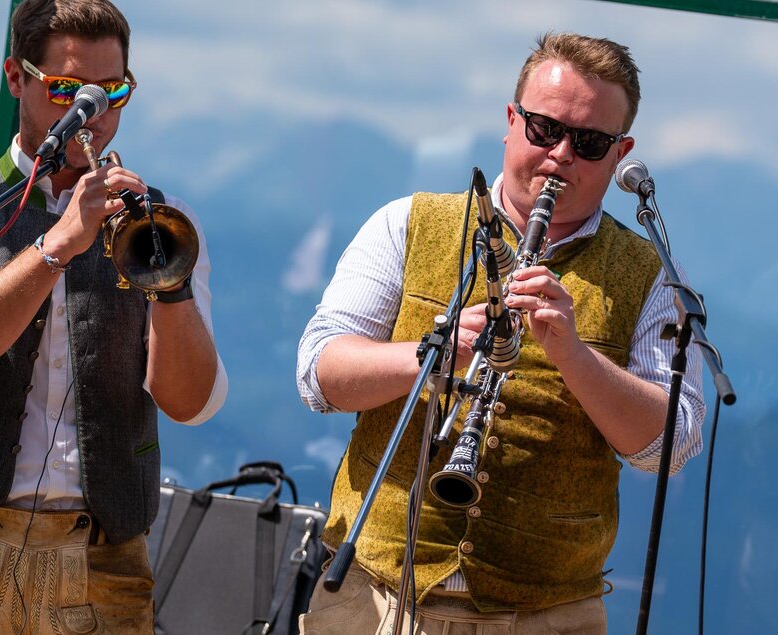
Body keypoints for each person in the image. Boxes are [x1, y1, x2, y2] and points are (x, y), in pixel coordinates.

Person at [296, 31, 705, 634]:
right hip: (377, 598)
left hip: (548, 614)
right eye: (545, 129)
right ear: (512, 121)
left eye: (590, 143)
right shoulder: (407, 224)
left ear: (622, 154)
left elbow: (669, 446)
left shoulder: (652, 277)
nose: (562, 154)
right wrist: (432, 354)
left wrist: (572, 353)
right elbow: (319, 376)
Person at [0, 0, 226, 631]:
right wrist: (58, 244)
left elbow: (190, 403)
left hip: (106, 556)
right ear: (17, 79)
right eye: (69, 91)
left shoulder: (165, 217)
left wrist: (165, 280)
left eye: (112, 93)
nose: (92, 118)